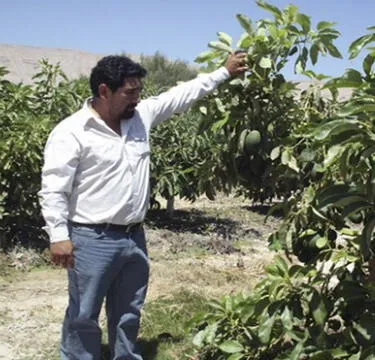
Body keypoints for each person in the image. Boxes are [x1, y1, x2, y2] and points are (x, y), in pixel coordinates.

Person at [38, 52, 248, 360]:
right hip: (90, 239)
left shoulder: (140, 117)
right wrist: (58, 236)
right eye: (130, 92)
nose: (137, 99)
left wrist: (223, 73)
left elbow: (181, 95)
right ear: (104, 91)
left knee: (129, 312)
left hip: (134, 237)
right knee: (83, 314)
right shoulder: (71, 132)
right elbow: (54, 187)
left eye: (139, 91)